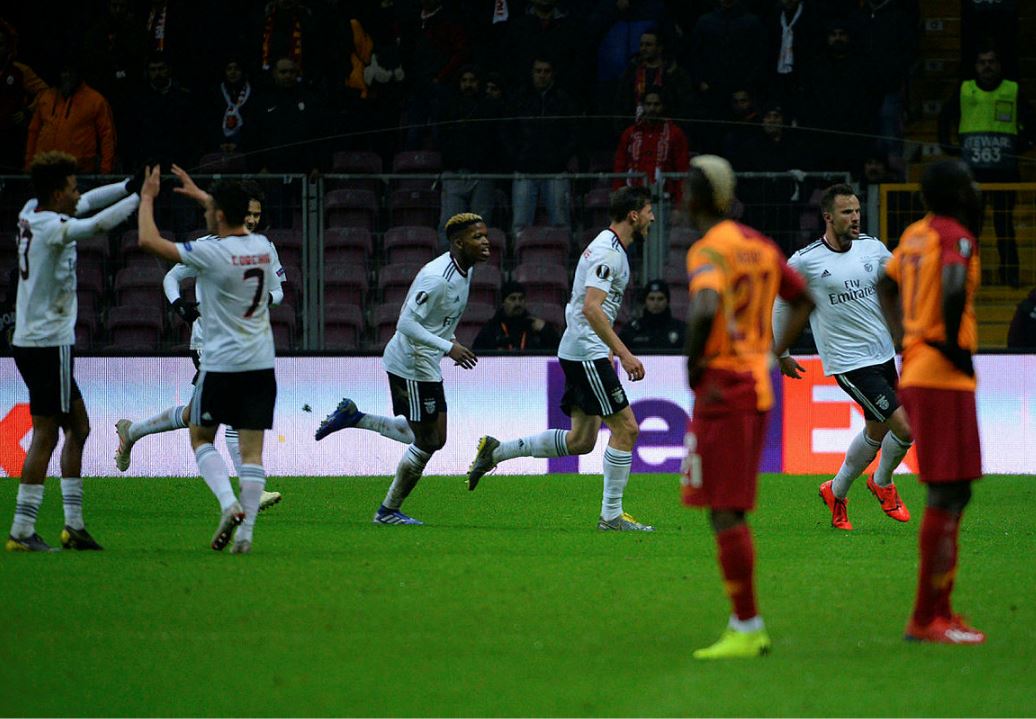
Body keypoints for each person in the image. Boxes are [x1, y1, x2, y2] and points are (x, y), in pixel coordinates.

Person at [682, 155, 814, 658]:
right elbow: (803, 298)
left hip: (724, 387)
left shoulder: (709, 249)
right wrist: (774, 350)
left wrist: (694, 366)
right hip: (756, 385)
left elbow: (705, 307)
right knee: (727, 506)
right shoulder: (760, 244)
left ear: (695, 197)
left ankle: (746, 625)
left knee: (725, 509)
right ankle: (745, 623)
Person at [465, 186, 655, 532]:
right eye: (648, 211)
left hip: (582, 349)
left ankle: (495, 451)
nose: (652, 218)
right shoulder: (608, 253)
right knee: (627, 429)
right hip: (586, 352)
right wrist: (624, 353)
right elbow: (591, 308)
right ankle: (611, 517)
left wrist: (608, 349)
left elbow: (588, 307)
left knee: (581, 440)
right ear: (633, 215)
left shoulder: (609, 247)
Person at [114, 178, 284, 515]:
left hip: (245, 344)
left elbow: (278, 291)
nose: (252, 219)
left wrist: (265, 300)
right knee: (232, 413)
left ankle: (132, 432)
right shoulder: (206, 247)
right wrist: (179, 305)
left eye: (257, 214)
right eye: (248, 213)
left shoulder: (264, 247)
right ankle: (250, 489)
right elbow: (171, 277)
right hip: (210, 342)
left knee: (194, 415)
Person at [313, 213, 490, 525]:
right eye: (477, 237)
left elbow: (439, 318)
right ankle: (387, 511)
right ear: (459, 243)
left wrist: (449, 341)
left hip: (427, 361)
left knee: (434, 437)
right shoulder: (438, 277)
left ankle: (354, 417)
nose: (486, 241)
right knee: (428, 441)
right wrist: (449, 347)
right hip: (410, 362)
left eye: (485, 235)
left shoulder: (466, 269)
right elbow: (405, 323)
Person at [6, 151, 141, 552]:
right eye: (72, 187)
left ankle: (74, 527)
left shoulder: (32, 211)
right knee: (47, 432)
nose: (78, 193)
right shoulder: (53, 227)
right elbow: (96, 224)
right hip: (48, 344)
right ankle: (22, 530)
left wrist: (127, 186)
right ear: (56, 194)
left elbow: (87, 204)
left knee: (78, 427)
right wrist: (143, 198)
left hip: (32, 341)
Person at [877, 159, 987, 644]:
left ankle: (939, 610)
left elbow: (886, 284)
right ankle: (927, 618)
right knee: (947, 493)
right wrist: (950, 346)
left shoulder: (915, 235)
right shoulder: (955, 237)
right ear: (958, 192)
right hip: (943, 375)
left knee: (955, 491)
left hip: (921, 368)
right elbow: (954, 286)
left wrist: (906, 335)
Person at [773, 183, 913, 531]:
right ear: (828, 217)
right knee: (905, 428)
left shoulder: (872, 248)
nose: (855, 217)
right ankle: (882, 483)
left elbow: (898, 281)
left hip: (883, 354)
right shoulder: (805, 261)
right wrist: (782, 352)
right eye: (847, 212)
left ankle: (835, 492)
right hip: (849, 363)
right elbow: (781, 302)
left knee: (876, 432)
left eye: (857, 211)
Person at [938, 46, 1036, 287]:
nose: (987, 66)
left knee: (1005, 224)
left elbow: (1031, 120)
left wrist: (1023, 144)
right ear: (975, 67)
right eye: (982, 62)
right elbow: (944, 116)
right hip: (972, 173)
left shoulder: (1012, 90)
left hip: (1005, 172)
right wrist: (946, 145)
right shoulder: (965, 89)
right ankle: (969, 275)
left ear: (999, 66)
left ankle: (1010, 275)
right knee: (972, 226)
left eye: (991, 62)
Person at [24, 57, 116, 174]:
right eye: (64, 71)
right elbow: (33, 131)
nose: (67, 76)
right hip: (44, 169)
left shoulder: (95, 100)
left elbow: (107, 135)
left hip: (79, 172)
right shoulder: (46, 97)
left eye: (71, 72)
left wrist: (106, 168)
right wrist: (29, 164)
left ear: (78, 74)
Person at [612, 89, 690, 206]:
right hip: (633, 198)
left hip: (663, 199)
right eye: (648, 104)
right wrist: (618, 197)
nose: (652, 108)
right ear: (643, 106)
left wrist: (680, 204)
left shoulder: (675, 133)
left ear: (663, 106)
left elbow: (682, 169)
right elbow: (620, 166)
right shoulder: (630, 133)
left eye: (656, 104)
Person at [472, 280, 560, 351]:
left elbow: (559, 350)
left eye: (521, 298)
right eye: (512, 299)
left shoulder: (534, 326)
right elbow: (477, 353)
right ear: (503, 302)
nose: (518, 303)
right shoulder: (492, 327)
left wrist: (545, 330)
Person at [619, 279, 685, 351]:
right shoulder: (631, 330)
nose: (656, 303)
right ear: (645, 301)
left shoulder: (681, 329)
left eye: (660, 299)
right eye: (651, 299)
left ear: (667, 301)